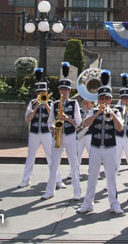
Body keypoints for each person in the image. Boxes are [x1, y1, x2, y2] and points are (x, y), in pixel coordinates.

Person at [78, 70, 124, 214]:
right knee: (92, 176)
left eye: (107, 98)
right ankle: (88, 204)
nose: (104, 100)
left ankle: (114, 204)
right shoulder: (93, 111)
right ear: (98, 99)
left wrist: (111, 113)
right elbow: (85, 124)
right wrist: (98, 112)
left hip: (110, 148)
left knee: (111, 177)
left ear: (110, 99)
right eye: (102, 98)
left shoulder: (115, 111)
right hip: (96, 147)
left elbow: (120, 127)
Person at [42, 63, 82, 200]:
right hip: (58, 135)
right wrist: (53, 128)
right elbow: (49, 122)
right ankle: (50, 190)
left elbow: (79, 122)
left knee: (74, 163)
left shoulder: (74, 104)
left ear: (70, 91)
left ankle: (77, 191)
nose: (63, 91)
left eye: (66, 89)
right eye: (61, 89)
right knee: (54, 164)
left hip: (70, 135)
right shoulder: (53, 104)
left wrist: (67, 118)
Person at [18, 68, 64, 189]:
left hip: (46, 133)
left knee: (51, 156)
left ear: (46, 92)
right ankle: (25, 179)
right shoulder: (32, 103)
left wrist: (47, 105)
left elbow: (54, 117)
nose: (40, 94)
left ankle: (58, 180)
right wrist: (36, 107)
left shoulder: (52, 103)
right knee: (31, 156)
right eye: (38, 92)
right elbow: (28, 119)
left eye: (42, 92)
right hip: (34, 133)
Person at [114, 74, 128, 181]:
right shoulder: (117, 107)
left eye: (127, 97)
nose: (125, 99)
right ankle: (111, 179)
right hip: (118, 136)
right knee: (115, 159)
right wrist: (122, 114)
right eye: (123, 97)